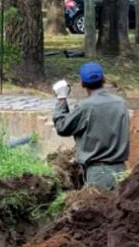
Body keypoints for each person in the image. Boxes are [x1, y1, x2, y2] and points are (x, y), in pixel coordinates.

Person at [52, 62, 130, 191]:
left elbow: (62, 127)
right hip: (121, 171)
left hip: (98, 173)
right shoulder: (120, 103)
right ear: (104, 79)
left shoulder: (85, 107)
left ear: (82, 84)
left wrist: (61, 98)